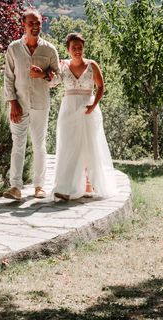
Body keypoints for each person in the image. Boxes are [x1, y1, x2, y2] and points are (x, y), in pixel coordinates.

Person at [3, 8, 59, 200]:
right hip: (19, 104)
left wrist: (43, 74)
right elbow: (8, 78)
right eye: (31, 24)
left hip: (41, 104)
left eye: (38, 23)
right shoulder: (13, 48)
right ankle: (16, 187)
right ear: (23, 25)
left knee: (39, 145)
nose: (35, 27)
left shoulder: (49, 49)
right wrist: (12, 103)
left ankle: (39, 186)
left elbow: (58, 78)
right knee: (17, 145)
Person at [52, 32, 117, 201]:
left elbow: (101, 87)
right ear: (68, 49)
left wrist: (93, 105)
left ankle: (89, 184)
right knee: (69, 146)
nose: (77, 51)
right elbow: (52, 81)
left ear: (83, 48)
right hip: (68, 109)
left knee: (89, 146)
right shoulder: (62, 65)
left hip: (88, 109)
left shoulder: (92, 65)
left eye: (80, 47)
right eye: (74, 48)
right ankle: (65, 187)